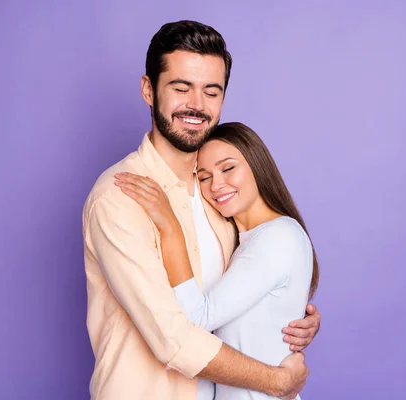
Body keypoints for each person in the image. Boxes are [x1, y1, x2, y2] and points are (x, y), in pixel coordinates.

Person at [82, 20, 321, 400]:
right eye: (181, 88)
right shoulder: (120, 197)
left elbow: (236, 292)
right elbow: (171, 338)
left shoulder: (219, 193)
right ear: (149, 90)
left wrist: (287, 315)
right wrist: (278, 381)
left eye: (211, 91)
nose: (197, 105)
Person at [115, 121, 320, 399]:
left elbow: (196, 322)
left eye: (228, 168)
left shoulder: (277, 237)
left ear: (257, 165)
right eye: (204, 177)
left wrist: (170, 228)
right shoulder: (243, 239)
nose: (216, 185)